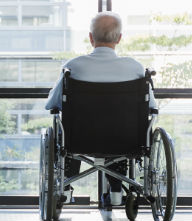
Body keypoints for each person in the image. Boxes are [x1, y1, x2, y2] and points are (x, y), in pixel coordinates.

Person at [44, 11, 157, 215]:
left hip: (79, 140)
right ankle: (116, 192)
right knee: (121, 128)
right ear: (119, 38)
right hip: (126, 141)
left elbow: (52, 104)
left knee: (66, 128)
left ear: (90, 37)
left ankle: (66, 188)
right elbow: (152, 108)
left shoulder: (73, 67)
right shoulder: (136, 68)